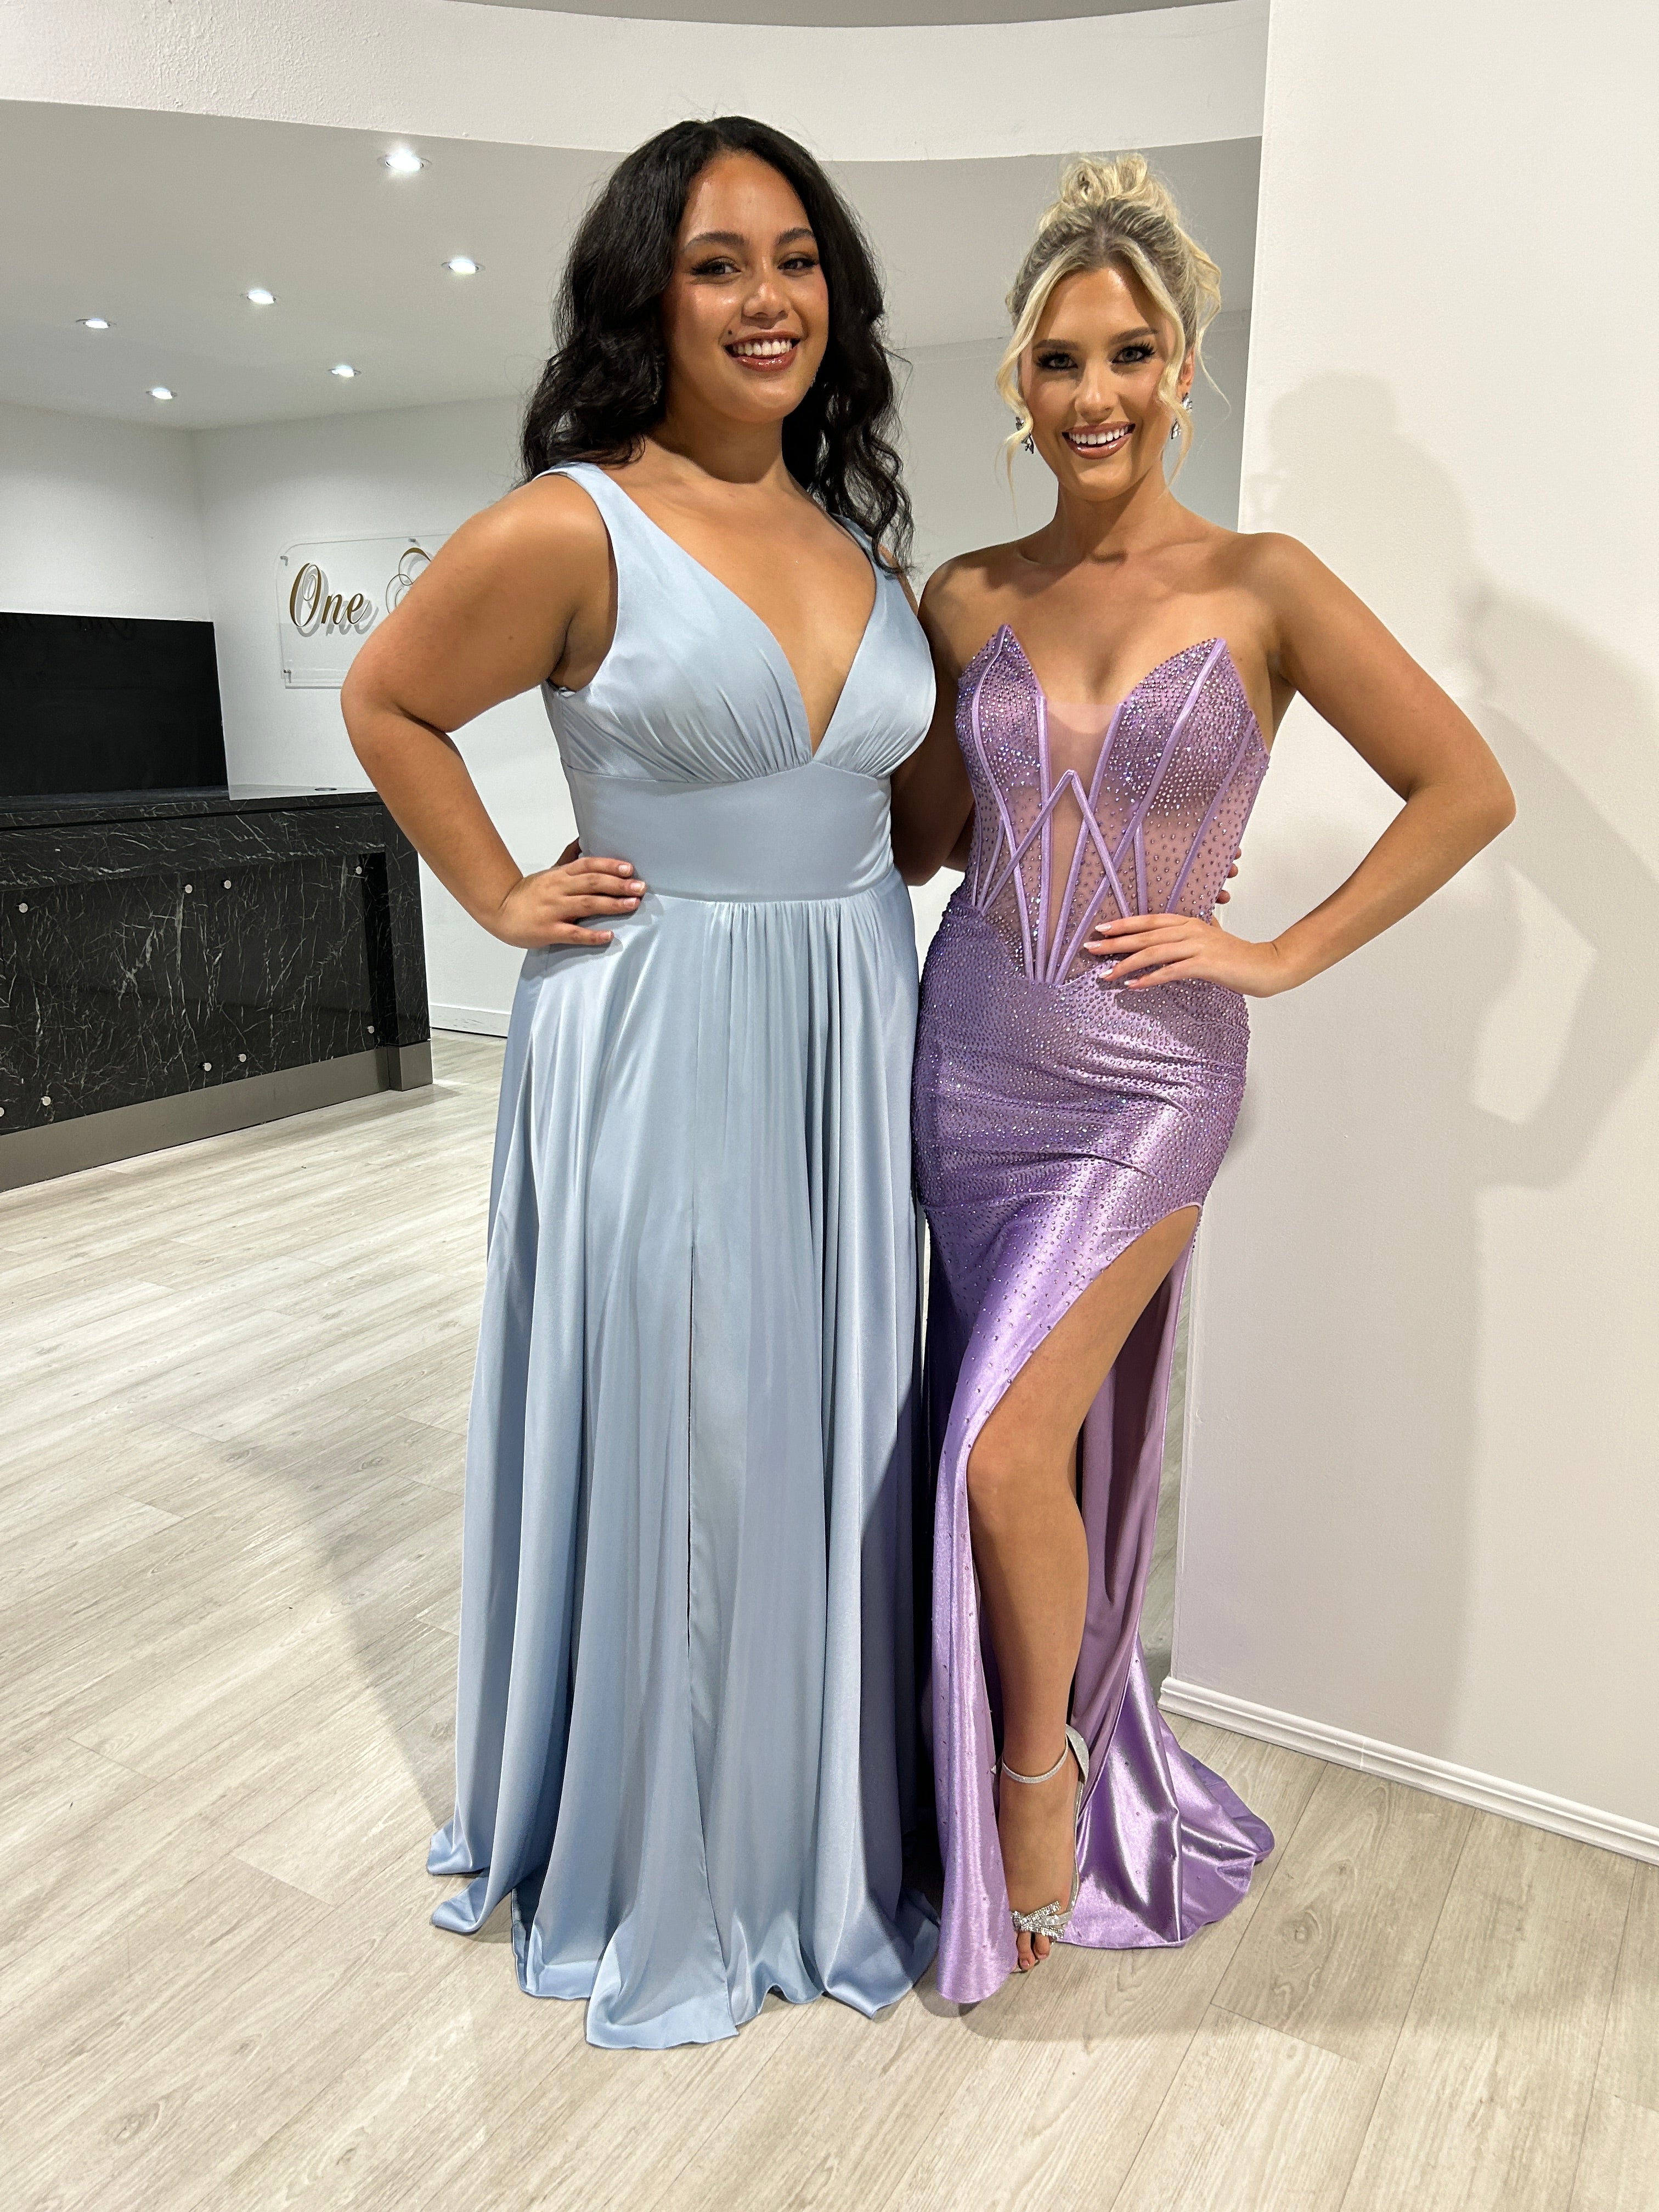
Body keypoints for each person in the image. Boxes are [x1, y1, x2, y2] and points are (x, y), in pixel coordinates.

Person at [342, 117, 938, 2049]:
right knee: (698, 1433)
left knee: (831, 1425)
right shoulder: (570, 522)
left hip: (851, 1013)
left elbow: (900, 811)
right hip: (662, 1024)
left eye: (794, 257)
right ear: (645, 298)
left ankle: (814, 1821)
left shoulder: (858, 541)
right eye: (715, 263)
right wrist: (500, 887)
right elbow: (390, 697)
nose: (767, 297)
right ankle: (675, 1851)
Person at [893, 154, 1515, 2000]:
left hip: (1154, 1076)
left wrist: (1276, 949)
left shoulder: (1265, 584)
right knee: (1022, 1436)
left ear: (1182, 375)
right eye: (1061, 360)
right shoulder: (960, 594)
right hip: (970, 1059)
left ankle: (1039, 1769)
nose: (1095, 394)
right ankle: (1017, 1733)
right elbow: (927, 840)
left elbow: (1466, 787)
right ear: (1018, 382)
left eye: (1132, 354)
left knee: (1005, 1447)